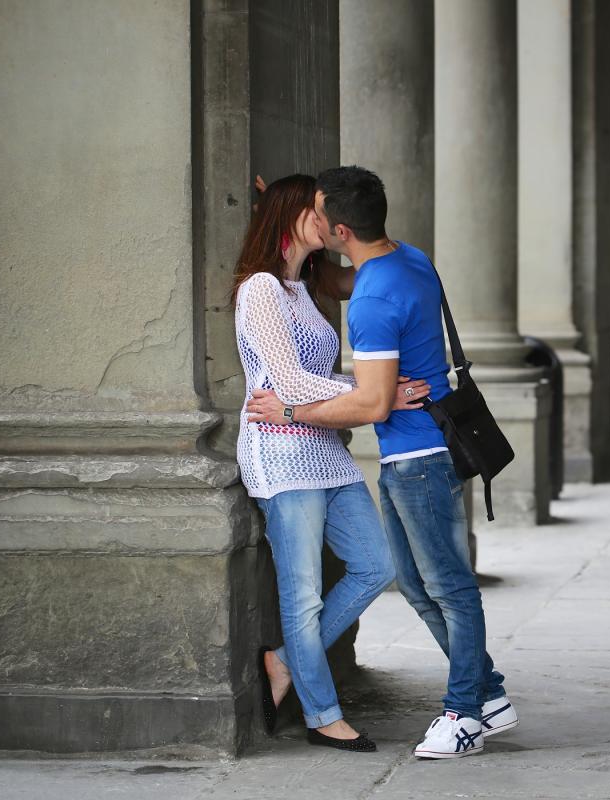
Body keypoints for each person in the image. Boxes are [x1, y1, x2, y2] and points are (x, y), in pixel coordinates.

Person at [246, 166, 517, 760]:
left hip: (416, 457)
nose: (316, 220)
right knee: (418, 586)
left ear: (341, 227)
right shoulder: (406, 260)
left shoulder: (372, 299)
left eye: (321, 213)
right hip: (417, 453)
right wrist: (281, 211)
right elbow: (339, 282)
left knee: (447, 587)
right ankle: (489, 694)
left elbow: (370, 402)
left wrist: (291, 409)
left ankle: (466, 712)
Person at [233, 174, 428, 753]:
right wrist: (375, 393)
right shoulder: (261, 289)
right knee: (303, 594)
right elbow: (287, 382)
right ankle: (321, 714)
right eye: (315, 208)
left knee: (375, 563)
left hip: (324, 450)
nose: (328, 219)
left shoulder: (302, 288)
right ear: (292, 212)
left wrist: (367, 387)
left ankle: (285, 661)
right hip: (280, 451)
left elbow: (371, 269)